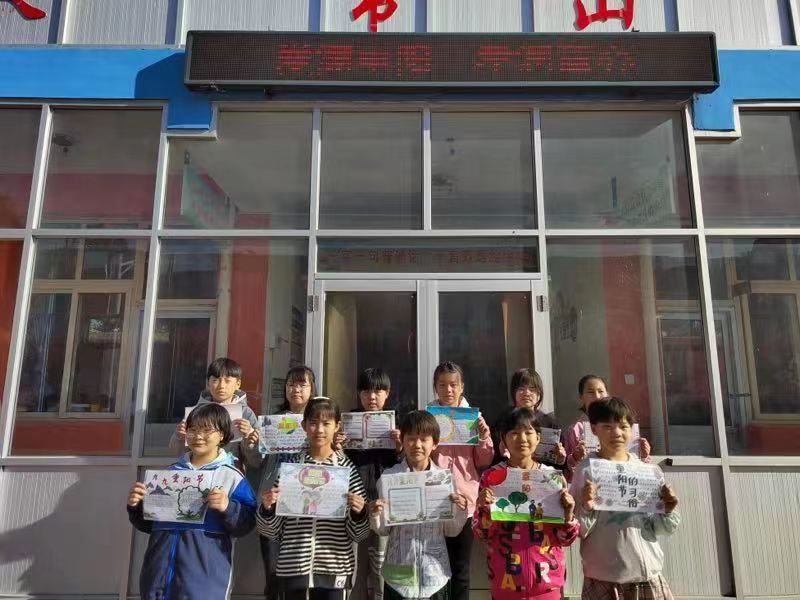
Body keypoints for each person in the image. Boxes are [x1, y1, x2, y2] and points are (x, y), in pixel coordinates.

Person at [127, 403, 257, 600]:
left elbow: (246, 524)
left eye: (207, 430)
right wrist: (137, 506)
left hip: (204, 581)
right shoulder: (170, 474)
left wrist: (228, 507)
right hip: (157, 578)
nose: (198, 436)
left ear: (222, 435)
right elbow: (149, 525)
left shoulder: (231, 477)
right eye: (193, 429)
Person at [257, 396, 370, 600]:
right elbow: (271, 531)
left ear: (337, 426)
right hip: (293, 567)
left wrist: (360, 513)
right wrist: (267, 509)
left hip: (335, 568)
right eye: (313, 422)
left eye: (326, 423)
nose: (319, 430)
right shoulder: (291, 470)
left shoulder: (346, 469)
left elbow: (359, 534)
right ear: (303, 425)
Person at [570, 397, 680, 599]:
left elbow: (662, 529)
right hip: (604, 578)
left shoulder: (647, 471)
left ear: (632, 429)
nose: (617, 433)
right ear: (593, 428)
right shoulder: (585, 470)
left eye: (623, 426)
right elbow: (578, 529)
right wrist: (586, 507)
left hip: (647, 574)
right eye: (607, 426)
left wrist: (668, 509)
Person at [474, 407, 579, 600]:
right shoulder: (491, 477)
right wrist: (484, 509)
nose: (522, 439)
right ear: (503, 439)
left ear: (538, 438)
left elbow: (566, 539)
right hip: (505, 583)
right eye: (514, 433)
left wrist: (569, 514)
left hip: (547, 586)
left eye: (529, 432)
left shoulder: (552, 479)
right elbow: (482, 533)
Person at [370, 410, 468, 600]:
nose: (417, 445)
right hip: (398, 576)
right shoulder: (390, 478)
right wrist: (376, 514)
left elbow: (451, 531)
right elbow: (383, 530)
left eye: (424, 439)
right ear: (402, 441)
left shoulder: (444, 479)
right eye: (411, 439)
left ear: (435, 443)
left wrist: (459, 510)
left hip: (435, 576)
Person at [243, 365, 317, 600]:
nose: (296, 389)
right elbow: (255, 461)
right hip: (273, 503)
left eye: (302, 384)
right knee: (273, 574)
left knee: (301, 579)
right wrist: (251, 443)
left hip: (305, 506)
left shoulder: (319, 423)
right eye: (291, 384)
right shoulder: (272, 422)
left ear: (312, 389)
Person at [429, 361, 494, 600]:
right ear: (435, 387)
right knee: (434, 567)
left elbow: (483, 461)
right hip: (434, 500)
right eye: (442, 385)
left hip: (465, 502)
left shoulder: (474, 418)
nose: (448, 390)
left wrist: (484, 437)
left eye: (453, 385)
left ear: (462, 387)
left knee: (461, 569)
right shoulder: (428, 418)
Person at [344, 368, 401, 600]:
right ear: (359, 394)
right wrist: (339, 445)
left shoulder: (396, 425)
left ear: (387, 393)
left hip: (383, 503)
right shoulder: (349, 423)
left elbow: (407, 466)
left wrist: (400, 447)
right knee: (355, 564)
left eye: (378, 391)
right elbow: (341, 465)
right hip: (355, 502)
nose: (372, 397)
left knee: (381, 563)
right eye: (366, 391)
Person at [564, 375, 652, 481]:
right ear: (581, 397)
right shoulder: (576, 429)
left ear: (607, 394)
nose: (597, 396)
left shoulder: (624, 425)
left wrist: (643, 455)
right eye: (591, 392)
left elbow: (638, 467)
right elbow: (568, 472)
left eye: (601, 391)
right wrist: (575, 457)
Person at [170, 357, 258, 462]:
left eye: (227, 381)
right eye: (215, 380)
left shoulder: (246, 413)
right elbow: (177, 453)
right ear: (208, 383)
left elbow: (257, 461)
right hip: (200, 469)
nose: (221, 386)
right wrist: (179, 436)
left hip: (230, 469)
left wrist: (249, 437)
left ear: (238, 384)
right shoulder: (195, 412)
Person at [499, 368, 566, 467]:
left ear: (539, 394)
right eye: (521, 389)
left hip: (542, 474)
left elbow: (560, 464)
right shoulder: (504, 420)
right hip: (512, 472)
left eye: (532, 389)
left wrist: (560, 459)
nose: (527, 393)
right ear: (513, 392)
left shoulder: (551, 423)